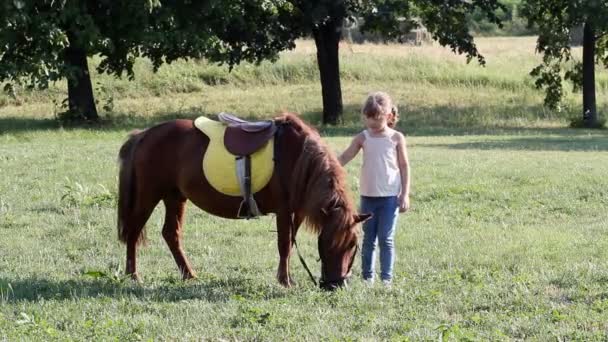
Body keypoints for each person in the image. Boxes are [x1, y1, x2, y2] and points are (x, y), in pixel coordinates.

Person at [338, 91, 411, 285]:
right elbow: (345, 157)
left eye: (376, 119)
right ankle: (367, 278)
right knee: (368, 239)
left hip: (389, 198)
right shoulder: (363, 137)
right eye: (368, 119)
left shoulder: (396, 138)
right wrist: (328, 168)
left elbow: (404, 166)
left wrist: (405, 194)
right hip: (368, 197)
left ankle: (386, 279)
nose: (371, 123)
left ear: (388, 116)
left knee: (386, 239)